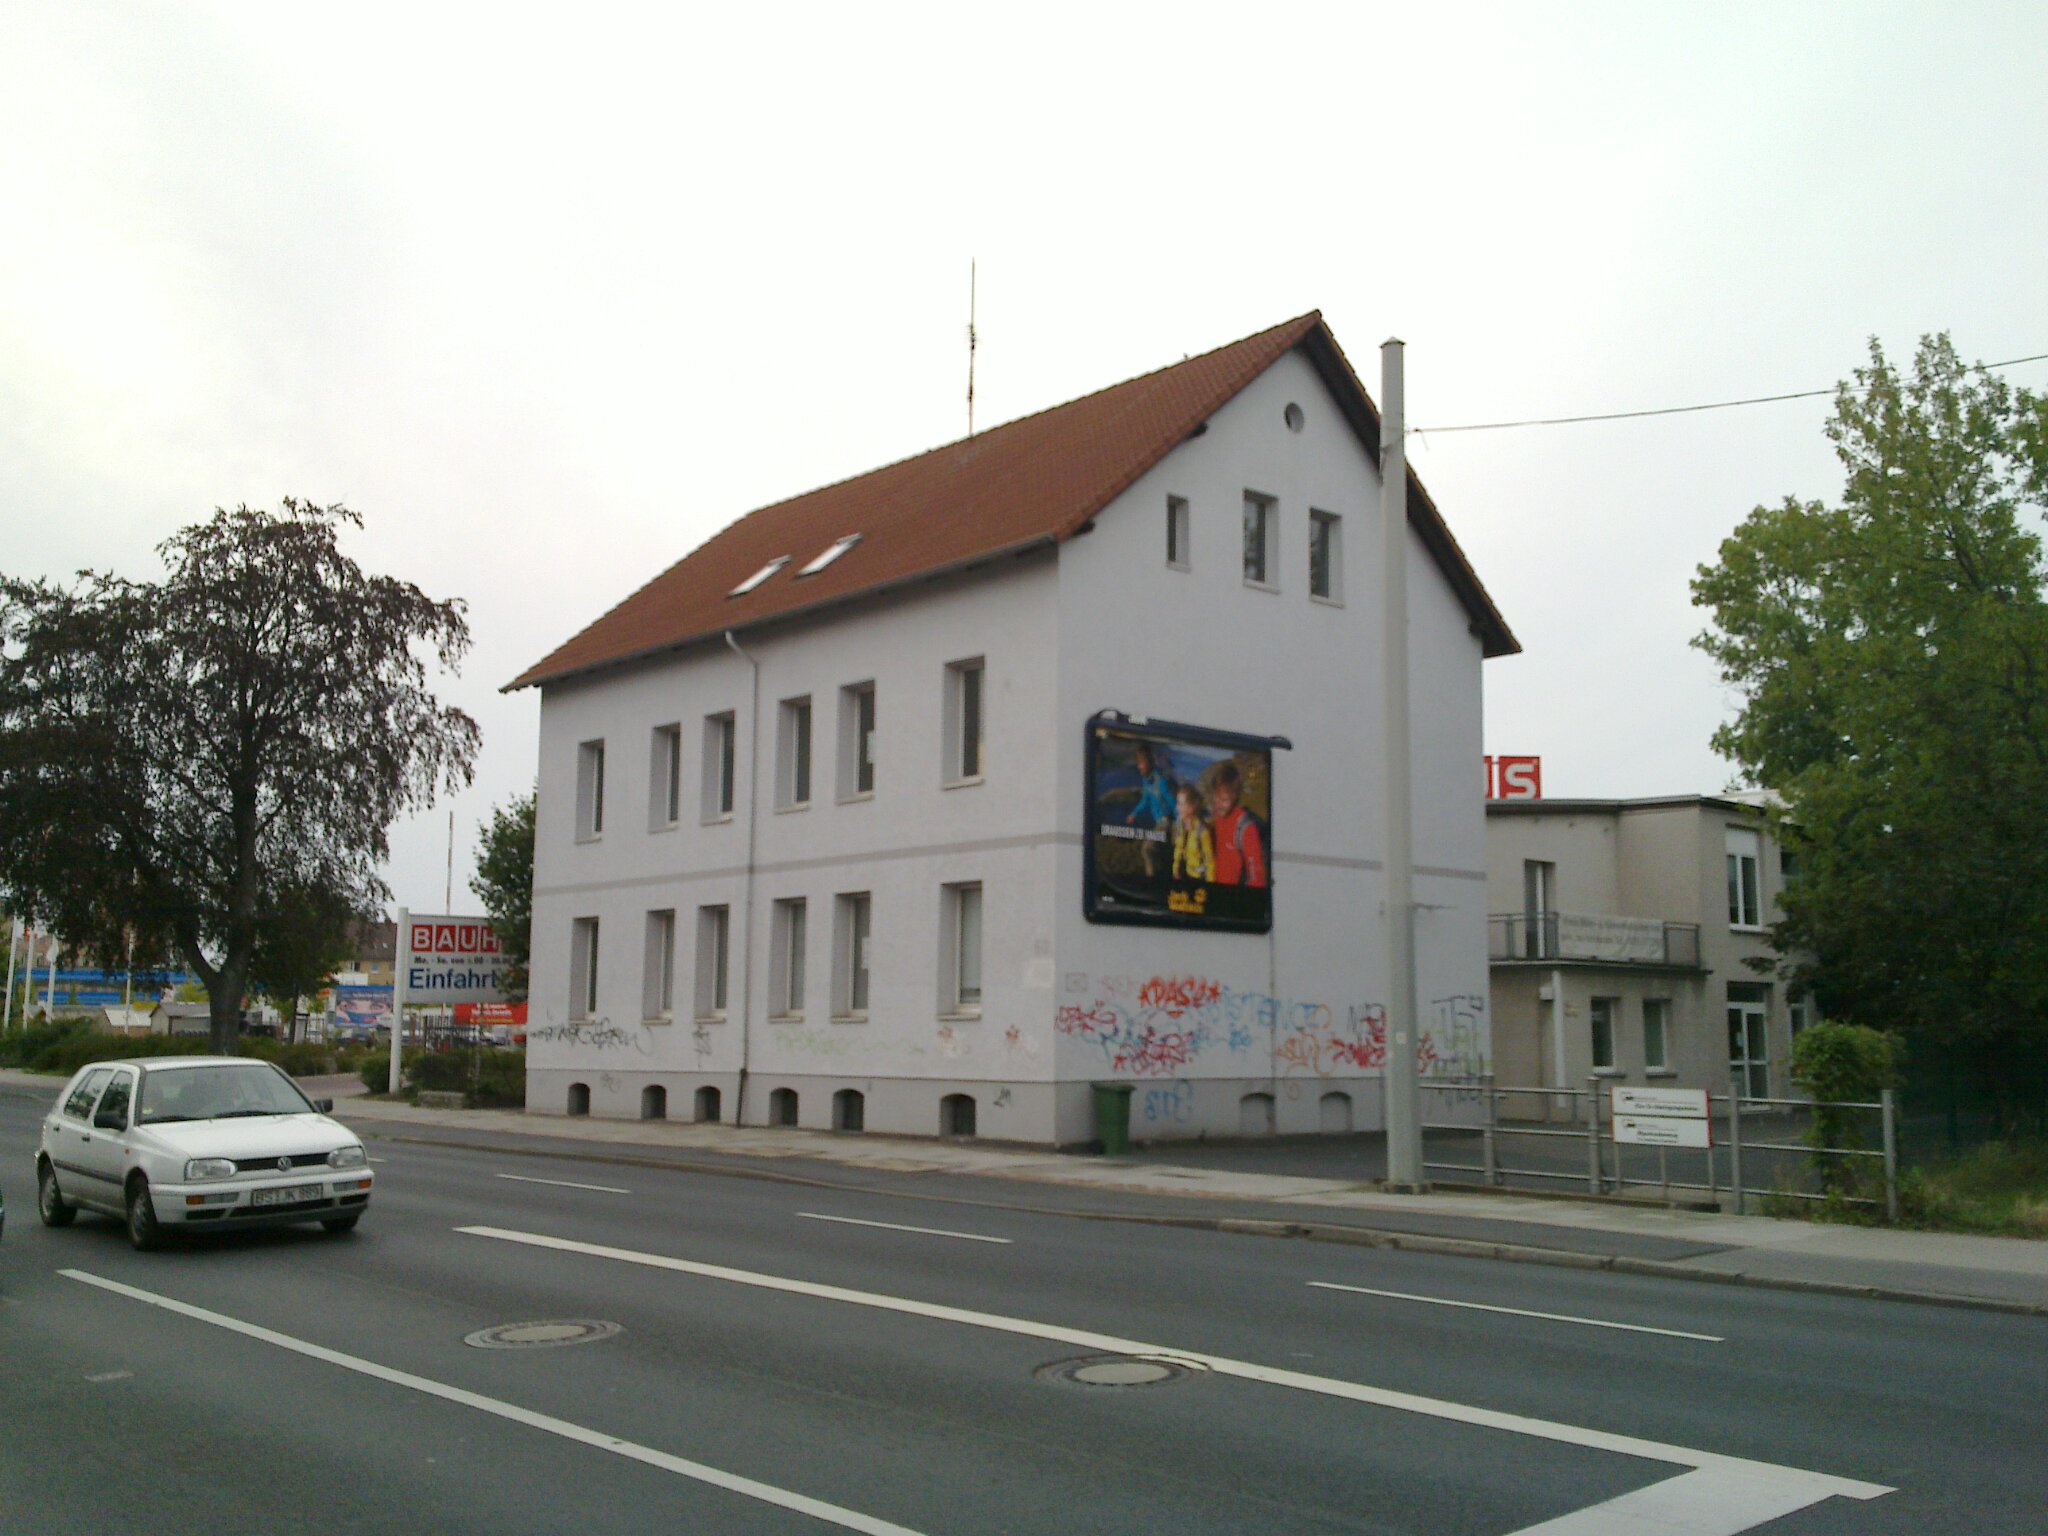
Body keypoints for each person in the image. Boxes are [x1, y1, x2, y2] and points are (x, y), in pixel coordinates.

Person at [1206, 759, 1267, 887]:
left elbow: (1257, 877)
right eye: (1216, 798)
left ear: (1235, 796)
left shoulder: (1246, 828)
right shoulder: (1217, 818)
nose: (1218, 804)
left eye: (1224, 800)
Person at [1123, 743, 1176, 879]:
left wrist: (1180, 825)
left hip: (1166, 823)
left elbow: (1173, 803)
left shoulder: (1161, 781)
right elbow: (1145, 799)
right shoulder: (1147, 780)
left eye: (1141, 763)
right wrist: (1134, 814)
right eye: (1138, 763)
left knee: (1147, 849)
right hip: (1159, 823)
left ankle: (1150, 881)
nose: (1138, 766)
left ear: (1149, 762)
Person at [1170, 781, 1215, 883]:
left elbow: (1210, 861)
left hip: (1200, 878)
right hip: (1186, 873)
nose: (1177, 808)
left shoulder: (1203, 831)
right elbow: (1178, 847)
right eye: (1178, 803)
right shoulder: (1180, 825)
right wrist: (1175, 869)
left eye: (1182, 804)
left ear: (1192, 806)